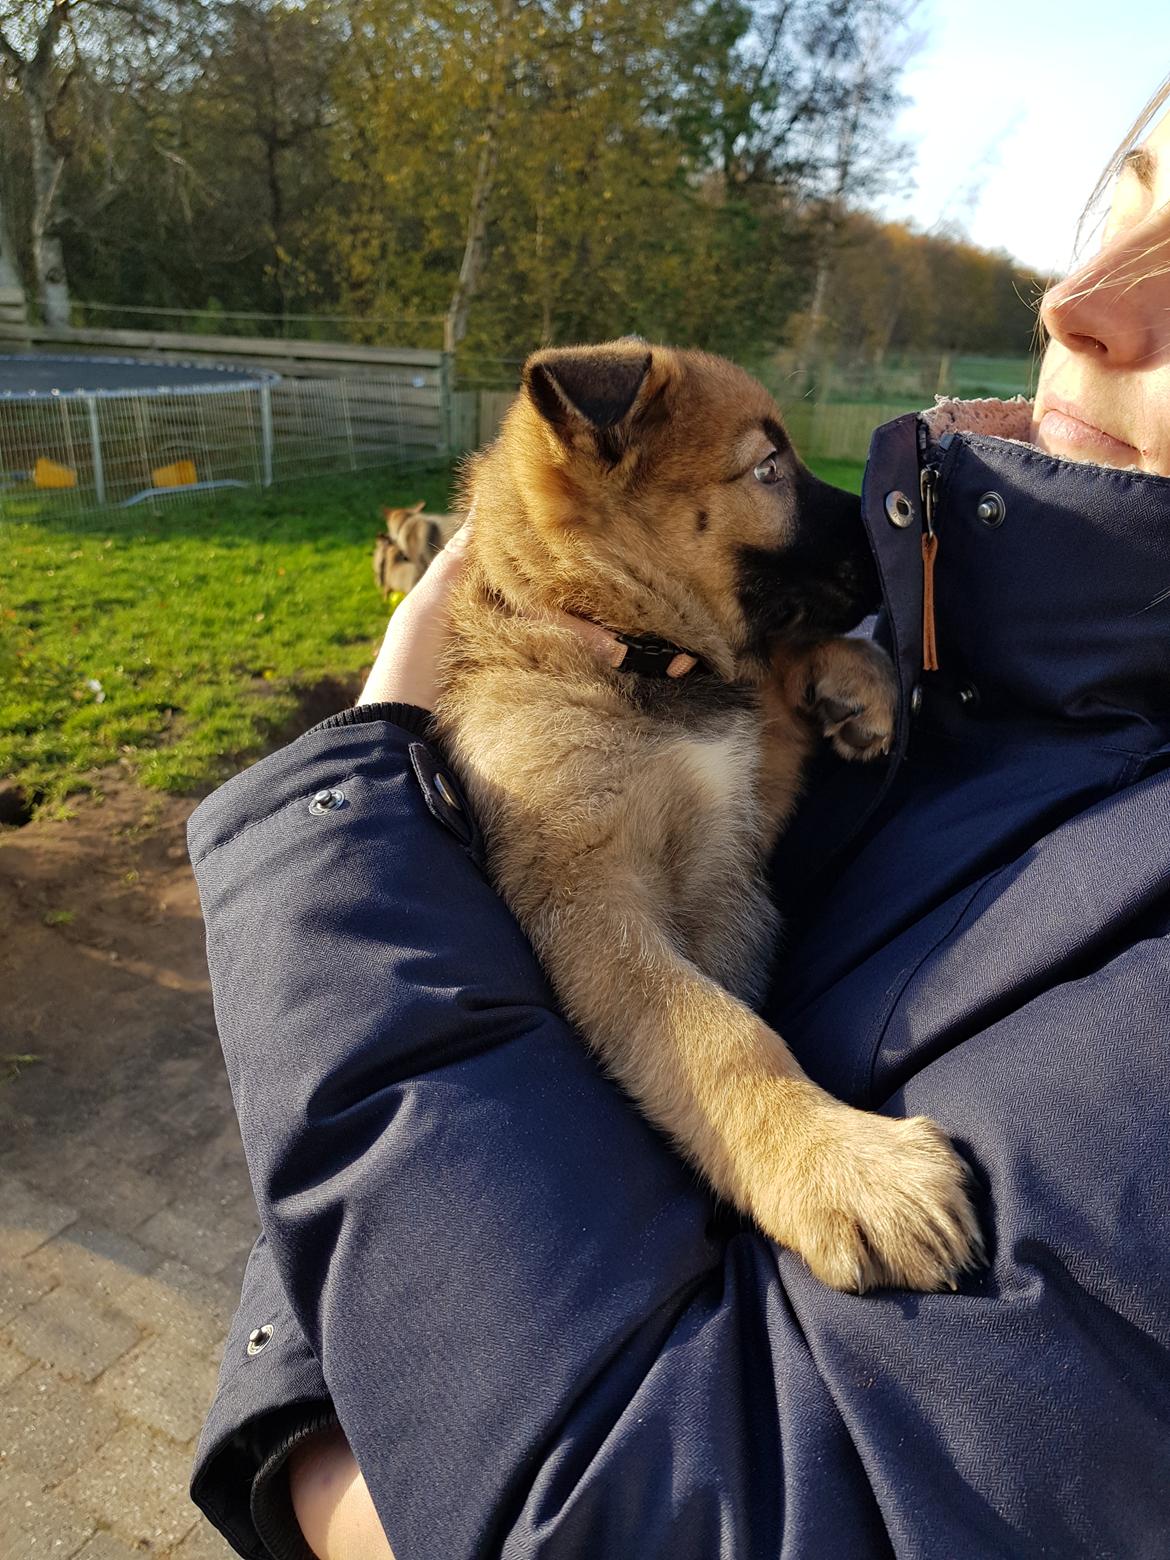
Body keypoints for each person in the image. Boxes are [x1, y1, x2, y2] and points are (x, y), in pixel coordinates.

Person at [188, 78, 1170, 1560]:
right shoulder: (560, 695)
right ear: (593, 471)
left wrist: (338, 1442)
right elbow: (579, 939)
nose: (1077, 296)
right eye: (1132, 188)